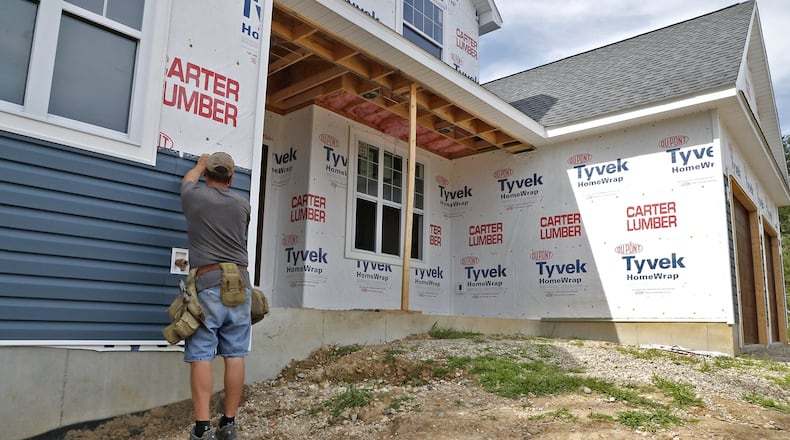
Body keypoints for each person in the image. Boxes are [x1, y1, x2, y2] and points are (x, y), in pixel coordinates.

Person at [180, 152, 252, 440]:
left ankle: (202, 429)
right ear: (231, 178)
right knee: (234, 354)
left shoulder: (195, 197)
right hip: (241, 285)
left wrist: (198, 165)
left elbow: (187, 182)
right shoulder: (243, 204)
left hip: (208, 283)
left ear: (208, 175)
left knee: (201, 354)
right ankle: (229, 424)